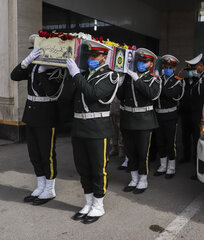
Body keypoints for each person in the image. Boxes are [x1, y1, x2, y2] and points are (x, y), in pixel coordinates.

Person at [66, 39, 122, 224]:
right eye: (89, 55)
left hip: (97, 129)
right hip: (79, 128)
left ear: (104, 58)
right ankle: (88, 202)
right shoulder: (83, 75)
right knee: (83, 168)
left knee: (98, 169)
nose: (91, 58)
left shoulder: (110, 76)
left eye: (95, 55)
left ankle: (98, 205)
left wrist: (76, 76)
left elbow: (93, 93)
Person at [10, 34, 66, 205]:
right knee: (34, 153)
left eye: (38, 49)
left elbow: (51, 91)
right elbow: (14, 76)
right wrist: (27, 61)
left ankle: (49, 189)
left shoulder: (57, 67)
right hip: (31, 114)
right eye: (34, 50)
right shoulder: (33, 66)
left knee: (46, 154)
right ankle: (40, 185)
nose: (36, 52)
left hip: (46, 115)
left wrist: (43, 72)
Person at [117, 48, 161, 194]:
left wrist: (137, 79)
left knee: (143, 152)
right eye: (139, 61)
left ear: (150, 64)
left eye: (144, 61)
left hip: (144, 120)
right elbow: (121, 97)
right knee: (130, 152)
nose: (141, 64)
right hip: (128, 119)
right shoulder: (128, 77)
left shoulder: (154, 79)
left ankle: (143, 179)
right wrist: (121, 80)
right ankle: (133, 178)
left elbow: (152, 95)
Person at [179, 53, 204, 180]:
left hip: (200, 116)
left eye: (193, 68)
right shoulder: (197, 78)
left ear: (200, 66)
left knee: (198, 142)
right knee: (187, 138)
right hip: (190, 114)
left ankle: (198, 168)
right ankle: (189, 159)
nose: (192, 71)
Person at [153, 55, 185, 179]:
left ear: (175, 68)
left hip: (170, 116)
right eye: (165, 67)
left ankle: (171, 168)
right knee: (160, 141)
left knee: (170, 142)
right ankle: (162, 166)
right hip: (158, 114)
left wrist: (158, 85)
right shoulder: (158, 79)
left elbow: (170, 94)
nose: (167, 69)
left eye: (170, 67)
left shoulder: (178, 81)